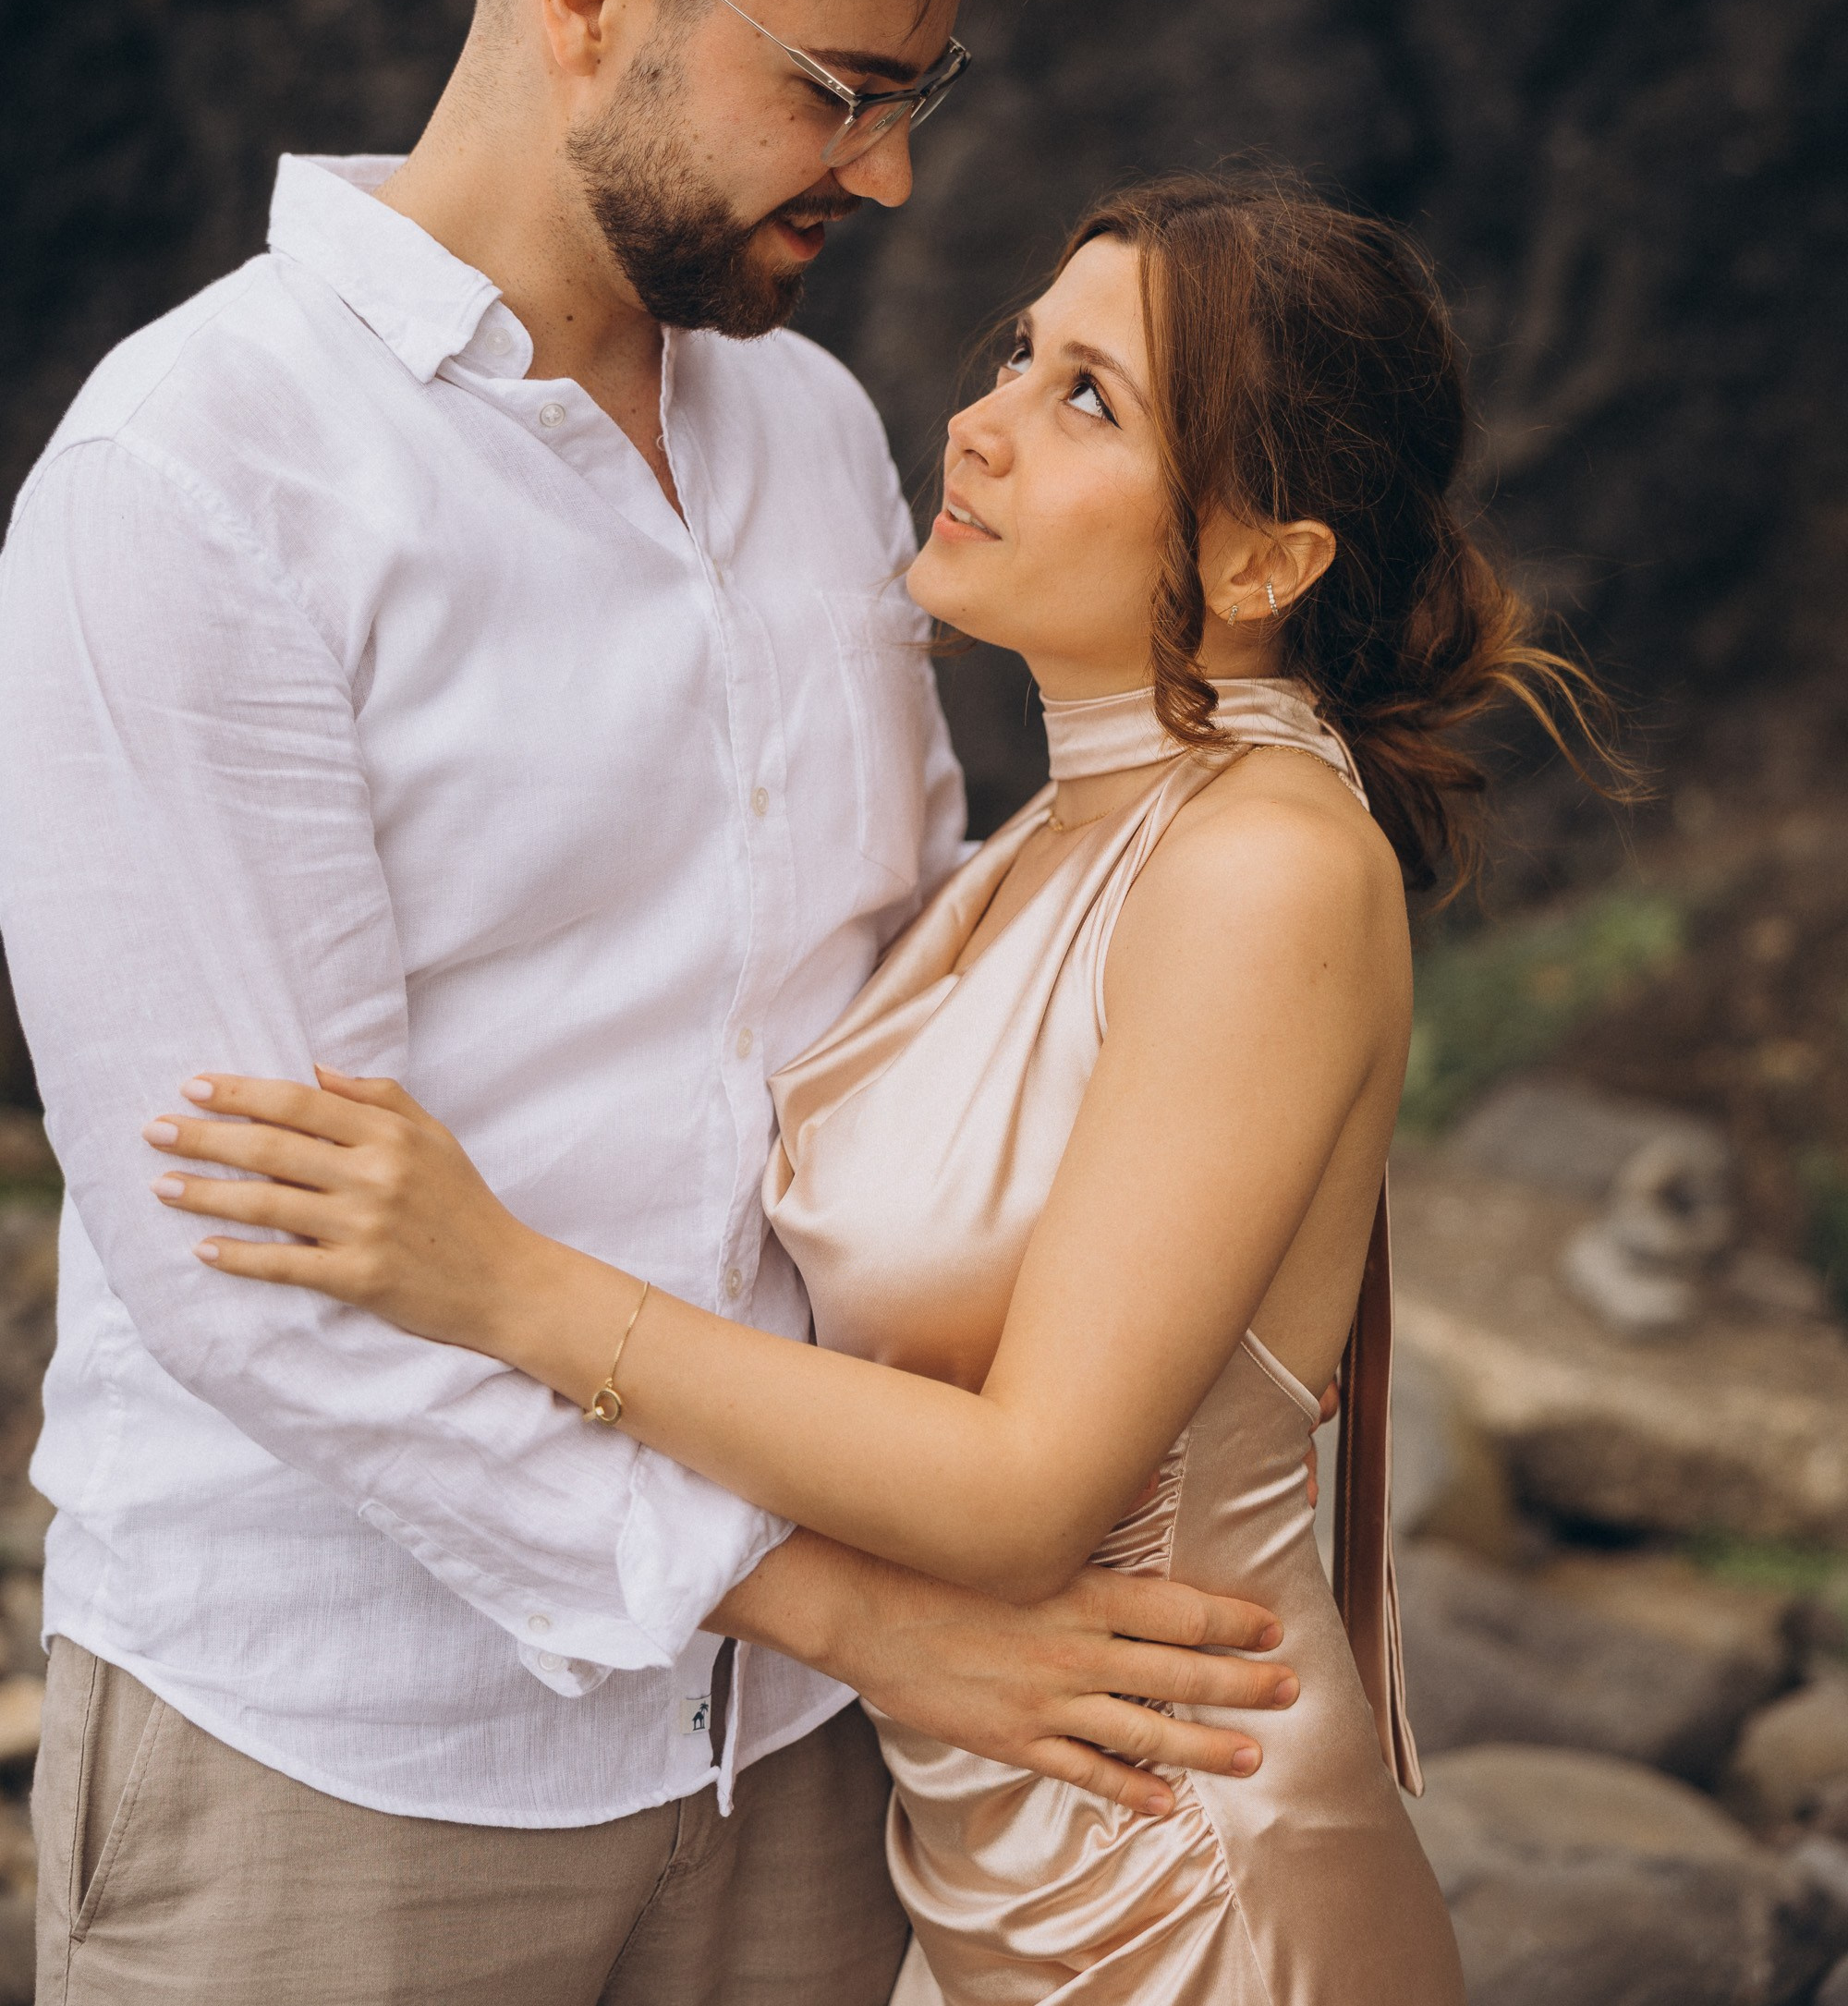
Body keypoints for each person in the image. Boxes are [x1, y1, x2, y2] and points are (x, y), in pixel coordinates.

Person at [0, 0, 1303, 2006]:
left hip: (797, 1769)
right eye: (839, 85)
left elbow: (894, 1035)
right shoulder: (195, 481)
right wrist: (859, 1607)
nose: (887, 176)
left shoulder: (814, 436)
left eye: (917, 92)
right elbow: (253, 1269)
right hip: (348, 1761)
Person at [153, 178, 1612, 2001]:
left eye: (1089, 400)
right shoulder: (1054, 843)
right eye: (1020, 353)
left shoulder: (1267, 869)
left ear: (1265, 565)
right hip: (998, 1859)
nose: (980, 421)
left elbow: (1023, 1489)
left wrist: (500, 1280)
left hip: (1186, 1891)